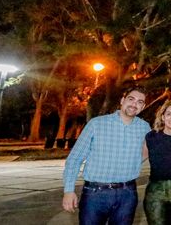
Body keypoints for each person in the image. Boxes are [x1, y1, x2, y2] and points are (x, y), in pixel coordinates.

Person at [62, 85, 150, 225]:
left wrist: (133, 162)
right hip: (95, 194)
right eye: (131, 99)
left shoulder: (144, 128)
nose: (134, 104)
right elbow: (75, 158)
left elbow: (146, 151)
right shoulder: (96, 124)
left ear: (143, 106)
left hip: (127, 195)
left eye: (140, 102)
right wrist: (68, 190)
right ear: (122, 100)